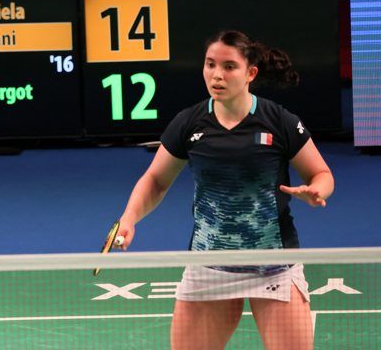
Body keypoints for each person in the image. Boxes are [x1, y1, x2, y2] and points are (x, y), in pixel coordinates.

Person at [115, 30, 334, 350]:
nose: (217, 74)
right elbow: (156, 180)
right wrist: (130, 217)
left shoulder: (279, 121)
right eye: (210, 64)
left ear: (250, 73)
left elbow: (322, 173)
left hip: (273, 266)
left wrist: (317, 191)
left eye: (229, 66)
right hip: (210, 266)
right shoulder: (189, 123)